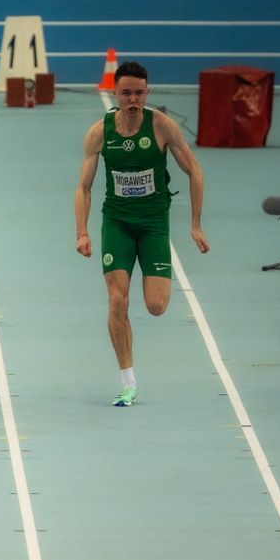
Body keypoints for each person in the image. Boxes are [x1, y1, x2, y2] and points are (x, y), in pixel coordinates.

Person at [75, 59, 209, 407]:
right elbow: (84, 188)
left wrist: (195, 223)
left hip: (153, 225)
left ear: (147, 93)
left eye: (139, 93)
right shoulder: (99, 132)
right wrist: (82, 233)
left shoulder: (162, 127)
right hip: (117, 222)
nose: (133, 100)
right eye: (126, 94)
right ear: (115, 94)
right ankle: (127, 380)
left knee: (156, 307)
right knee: (118, 300)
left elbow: (194, 170)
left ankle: (153, 288)